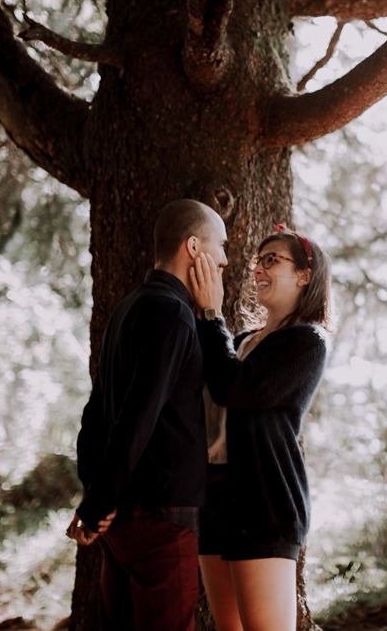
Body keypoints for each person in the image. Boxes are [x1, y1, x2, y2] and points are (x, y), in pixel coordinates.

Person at [67, 198, 228, 631]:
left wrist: (97, 500)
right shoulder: (175, 315)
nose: (225, 260)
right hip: (162, 519)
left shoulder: (126, 308)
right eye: (220, 246)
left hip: (120, 523)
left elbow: (94, 416)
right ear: (194, 247)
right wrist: (98, 503)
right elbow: (136, 418)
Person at [187, 223, 332, 631]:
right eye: (257, 261)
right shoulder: (242, 339)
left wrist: (211, 313)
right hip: (214, 498)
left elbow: (237, 388)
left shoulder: (308, 340)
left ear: (305, 275)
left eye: (272, 260)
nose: (258, 270)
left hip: (264, 501)